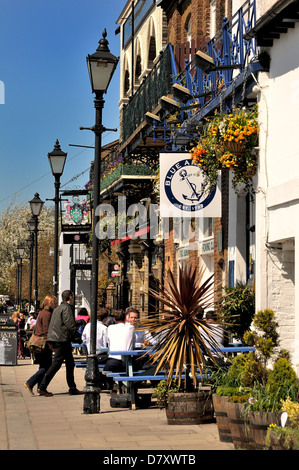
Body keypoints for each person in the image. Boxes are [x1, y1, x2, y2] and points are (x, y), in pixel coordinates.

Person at [38, 290, 83, 397]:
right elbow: (69, 325)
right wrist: (78, 336)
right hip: (61, 340)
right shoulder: (66, 308)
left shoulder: (58, 308)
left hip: (59, 339)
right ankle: (42, 387)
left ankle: (72, 388)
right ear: (71, 297)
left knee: (70, 363)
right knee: (56, 364)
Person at [24, 296, 58, 395]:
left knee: (43, 366)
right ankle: (30, 382)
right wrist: (51, 345)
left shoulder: (43, 312)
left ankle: (40, 388)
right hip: (44, 344)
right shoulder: (47, 314)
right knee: (47, 366)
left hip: (41, 342)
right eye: (54, 303)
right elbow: (46, 331)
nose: (55, 305)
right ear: (50, 303)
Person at [103, 310, 135, 391]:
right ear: (125, 318)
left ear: (114, 319)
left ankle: (112, 386)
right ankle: (124, 386)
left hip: (113, 362)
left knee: (105, 371)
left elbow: (107, 343)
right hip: (127, 362)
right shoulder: (131, 328)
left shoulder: (110, 328)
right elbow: (133, 344)